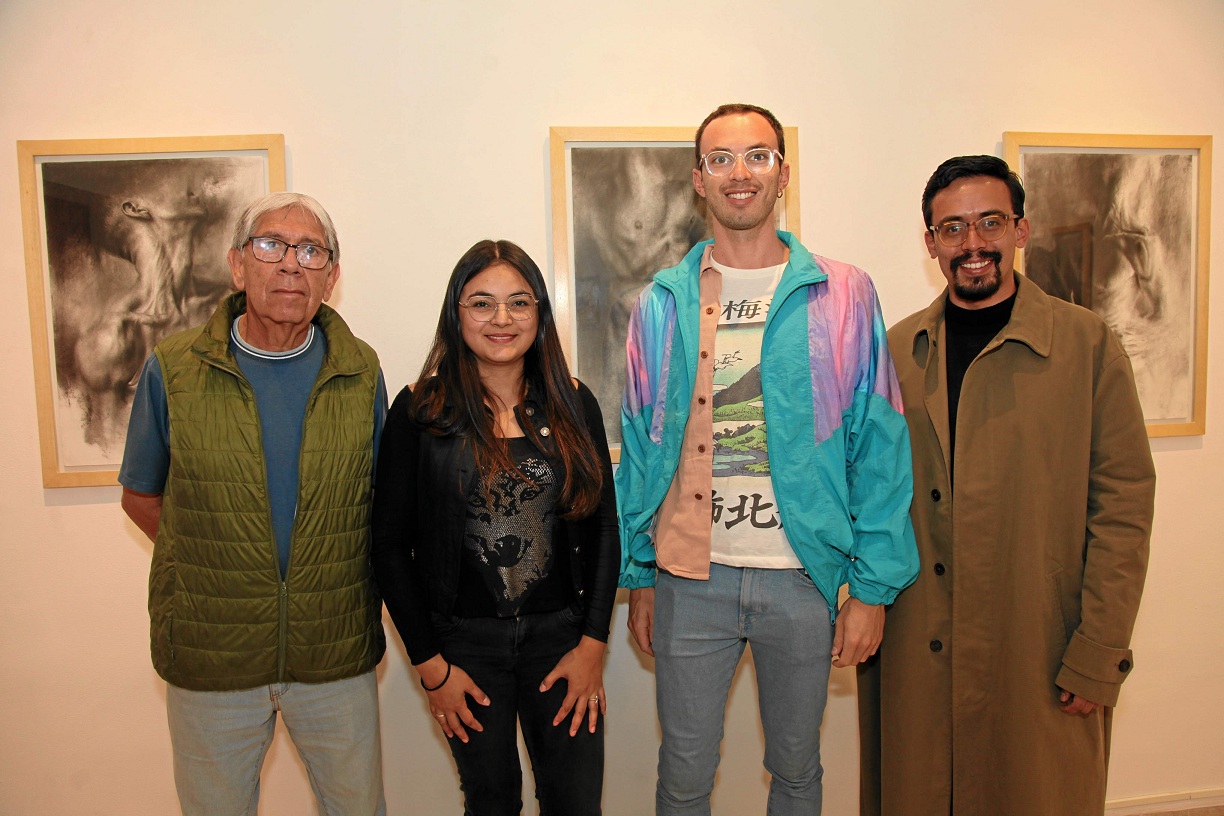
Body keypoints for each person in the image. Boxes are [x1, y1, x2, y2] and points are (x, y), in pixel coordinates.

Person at [616, 102, 919, 815]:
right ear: (699, 178)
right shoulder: (661, 304)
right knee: (683, 775)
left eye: (757, 155)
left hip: (802, 579)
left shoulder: (843, 294)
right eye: (721, 158)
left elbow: (880, 445)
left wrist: (872, 588)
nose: (740, 172)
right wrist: (639, 574)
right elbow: (639, 448)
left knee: (796, 769)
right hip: (691, 577)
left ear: (783, 172)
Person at [857, 155, 1156, 816]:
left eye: (990, 222)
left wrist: (1099, 651)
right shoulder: (895, 351)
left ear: (1021, 229)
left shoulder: (1086, 347)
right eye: (954, 228)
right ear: (930, 241)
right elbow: (863, 492)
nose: (973, 244)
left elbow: (1124, 506)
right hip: (916, 650)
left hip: (1039, 648)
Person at [119, 192, 389, 815]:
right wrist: (222, 564)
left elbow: (377, 498)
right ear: (239, 265)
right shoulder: (175, 369)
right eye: (271, 245)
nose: (290, 264)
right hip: (213, 655)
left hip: (333, 652)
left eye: (309, 250)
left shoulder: (361, 372)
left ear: (332, 275)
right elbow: (141, 495)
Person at [372, 239, 617, 816]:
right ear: (456, 314)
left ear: (539, 314)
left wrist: (593, 646)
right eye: (482, 303)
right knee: (491, 801)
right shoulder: (419, 412)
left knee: (576, 802)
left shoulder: (574, 404)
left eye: (519, 303)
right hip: (463, 650)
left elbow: (605, 529)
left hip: (562, 642)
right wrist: (432, 668)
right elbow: (387, 546)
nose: (502, 319)